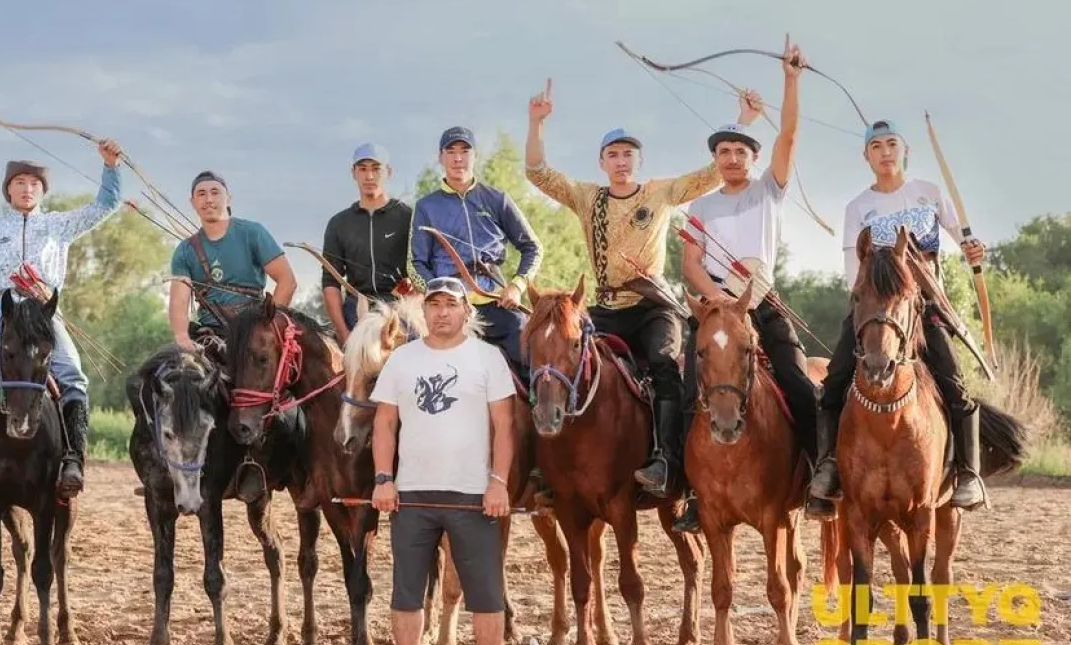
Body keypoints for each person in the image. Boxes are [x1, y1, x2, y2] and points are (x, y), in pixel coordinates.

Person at [524, 83, 762, 498]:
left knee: (665, 364)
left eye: (628, 153)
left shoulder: (660, 191)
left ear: (639, 159)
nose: (621, 161)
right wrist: (536, 123)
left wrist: (741, 123)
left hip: (654, 306)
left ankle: (667, 462)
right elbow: (537, 173)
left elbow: (711, 174)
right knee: (561, 358)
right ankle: (552, 465)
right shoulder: (587, 197)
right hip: (606, 306)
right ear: (601, 162)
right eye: (613, 154)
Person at [806, 120, 990, 518]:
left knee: (954, 384)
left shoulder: (928, 193)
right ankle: (829, 468)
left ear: (905, 150)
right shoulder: (857, 207)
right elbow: (849, 268)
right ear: (866, 156)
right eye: (877, 146)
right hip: (874, 308)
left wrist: (973, 249)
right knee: (835, 379)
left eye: (892, 144)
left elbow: (964, 239)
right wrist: (872, 296)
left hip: (924, 307)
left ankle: (969, 474)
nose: (885, 152)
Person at [0, 142, 124, 508]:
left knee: (73, 376)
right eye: (20, 182)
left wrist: (111, 167)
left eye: (34, 183)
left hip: (42, 312)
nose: (27, 188)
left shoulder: (59, 226)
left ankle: (72, 460)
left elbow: (105, 206)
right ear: (8, 189)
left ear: (42, 190)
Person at [676, 39, 815, 532]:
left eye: (740, 150)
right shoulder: (701, 207)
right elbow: (690, 261)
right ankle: (689, 490)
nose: (732, 158)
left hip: (761, 304)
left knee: (799, 384)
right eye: (723, 151)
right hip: (714, 310)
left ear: (753, 159)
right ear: (715, 159)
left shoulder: (767, 192)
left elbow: (790, 137)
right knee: (681, 388)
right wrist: (710, 297)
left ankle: (820, 477)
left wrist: (790, 82)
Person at [369, 274, 514, 645]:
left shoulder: (488, 359)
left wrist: (499, 482)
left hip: (473, 495)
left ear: (466, 311)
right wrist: (383, 478)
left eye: (451, 304)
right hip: (412, 494)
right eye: (434, 305)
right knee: (407, 588)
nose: (442, 312)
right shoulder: (402, 360)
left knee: (485, 591)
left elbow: (504, 426)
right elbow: (385, 423)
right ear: (424, 310)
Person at [407, 127, 541, 388]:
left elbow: (532, 247)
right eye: (451, 151)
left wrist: (516, 286)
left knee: (535, 361)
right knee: (417, 371)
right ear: (441, 157)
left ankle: (540, 420)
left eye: (464, 151)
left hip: (497, 303)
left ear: (474, 156)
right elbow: (416, 264)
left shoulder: (496, 199)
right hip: (451, 310)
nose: (458, 158)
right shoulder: (426, 206)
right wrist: (440, 297)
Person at [168, 170, 297, 359]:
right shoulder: (184, 250)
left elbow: (287, 281)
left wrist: (266, 327)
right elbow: (179, 301)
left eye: (215, 192)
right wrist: (181, 336)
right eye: (201, 194)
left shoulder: (252, 233)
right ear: (193, 203)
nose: (209, 199)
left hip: (253, 329)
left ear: (228, 198)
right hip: (210, 336)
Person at [320, 143, 413, 345]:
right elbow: (330, 283)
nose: (369, 176)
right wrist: (343, 332)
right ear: (353, 173)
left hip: (400, 309)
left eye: (376, 169)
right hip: (356, 310)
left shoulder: (408, 217)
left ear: (388, 172)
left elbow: (422, 269)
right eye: (362, 169)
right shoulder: (339, 223)